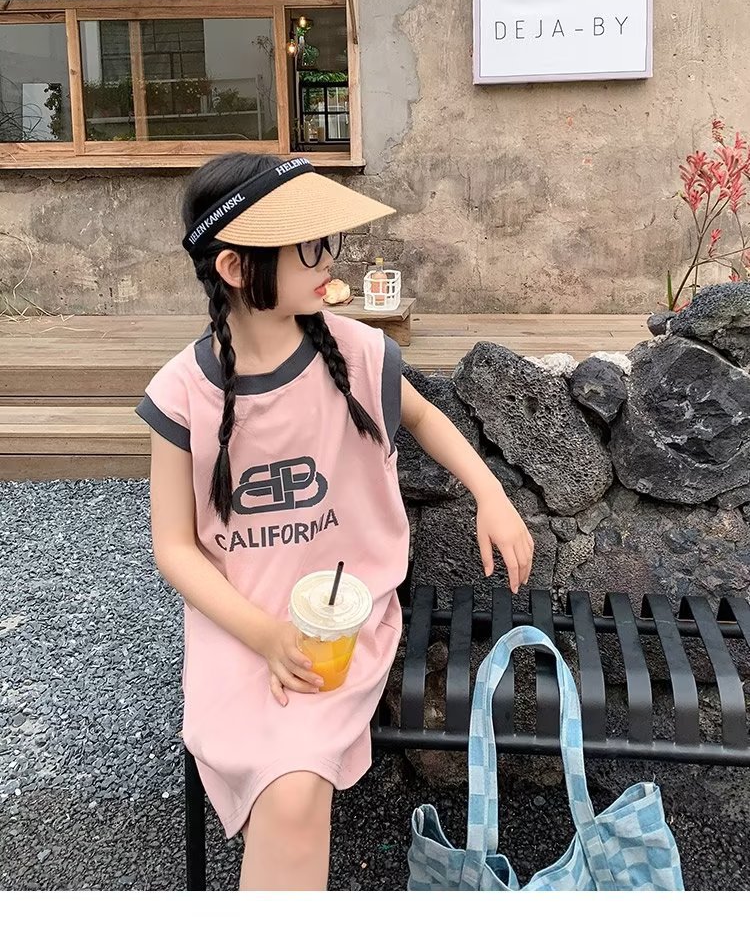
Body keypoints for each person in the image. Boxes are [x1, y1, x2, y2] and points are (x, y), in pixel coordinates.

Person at [134, 152, 534, 891]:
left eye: (329, 243)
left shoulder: (356, 351)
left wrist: (492, 494)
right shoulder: (181, 392)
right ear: (235, 268)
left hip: (344, 618)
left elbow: (424, 418)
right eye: (308, 248)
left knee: (292, 788)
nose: (329, 262)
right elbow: (174, 549)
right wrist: (264, 635)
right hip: (238, 622)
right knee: (286, 791)